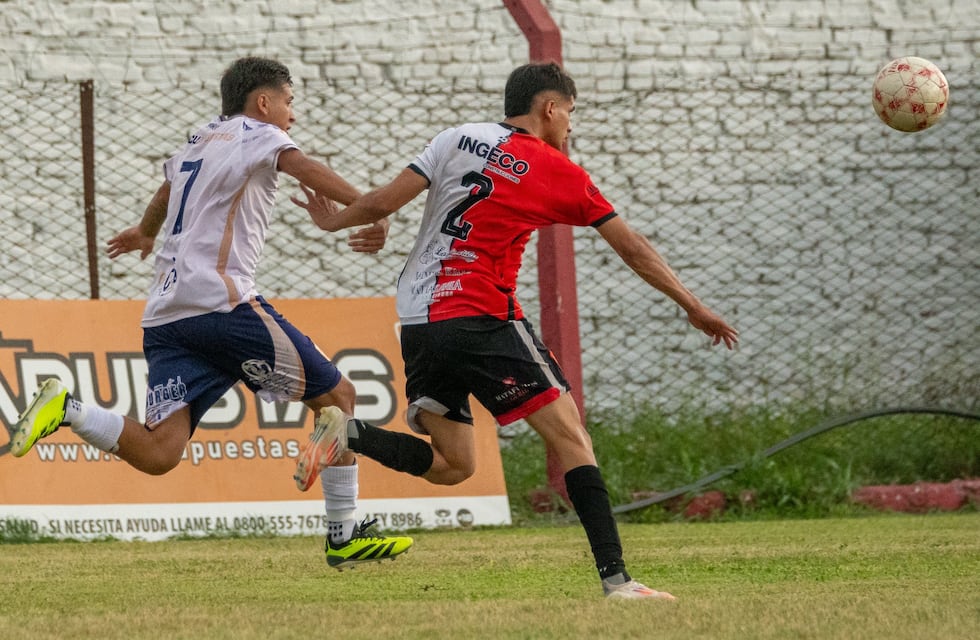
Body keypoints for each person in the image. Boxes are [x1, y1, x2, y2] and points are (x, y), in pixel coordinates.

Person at [291, 62, 739, 599]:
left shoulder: (457, 137)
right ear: (550, 108)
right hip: (481, 312)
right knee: (572, 437)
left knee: (454, 465)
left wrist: (333, 222)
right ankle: (618, 582)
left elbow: (383, 202)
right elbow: (632, 245)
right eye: (570, 113)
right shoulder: (555, 170)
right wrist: (691, 304)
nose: (570, 126)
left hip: (417, 319)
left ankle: (348, 433)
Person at [10, 56, 412, 569]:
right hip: (222, 306)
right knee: (341, 396)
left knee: (160, 453)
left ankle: (68, 408)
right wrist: (371, 206)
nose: (293, 114)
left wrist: (146, 232)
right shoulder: (259, 134)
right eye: (289, 101)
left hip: (166, 318)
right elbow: (305, 169)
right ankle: (344, 534)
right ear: (263, 102)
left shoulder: (198, 140)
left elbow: (163, 192)